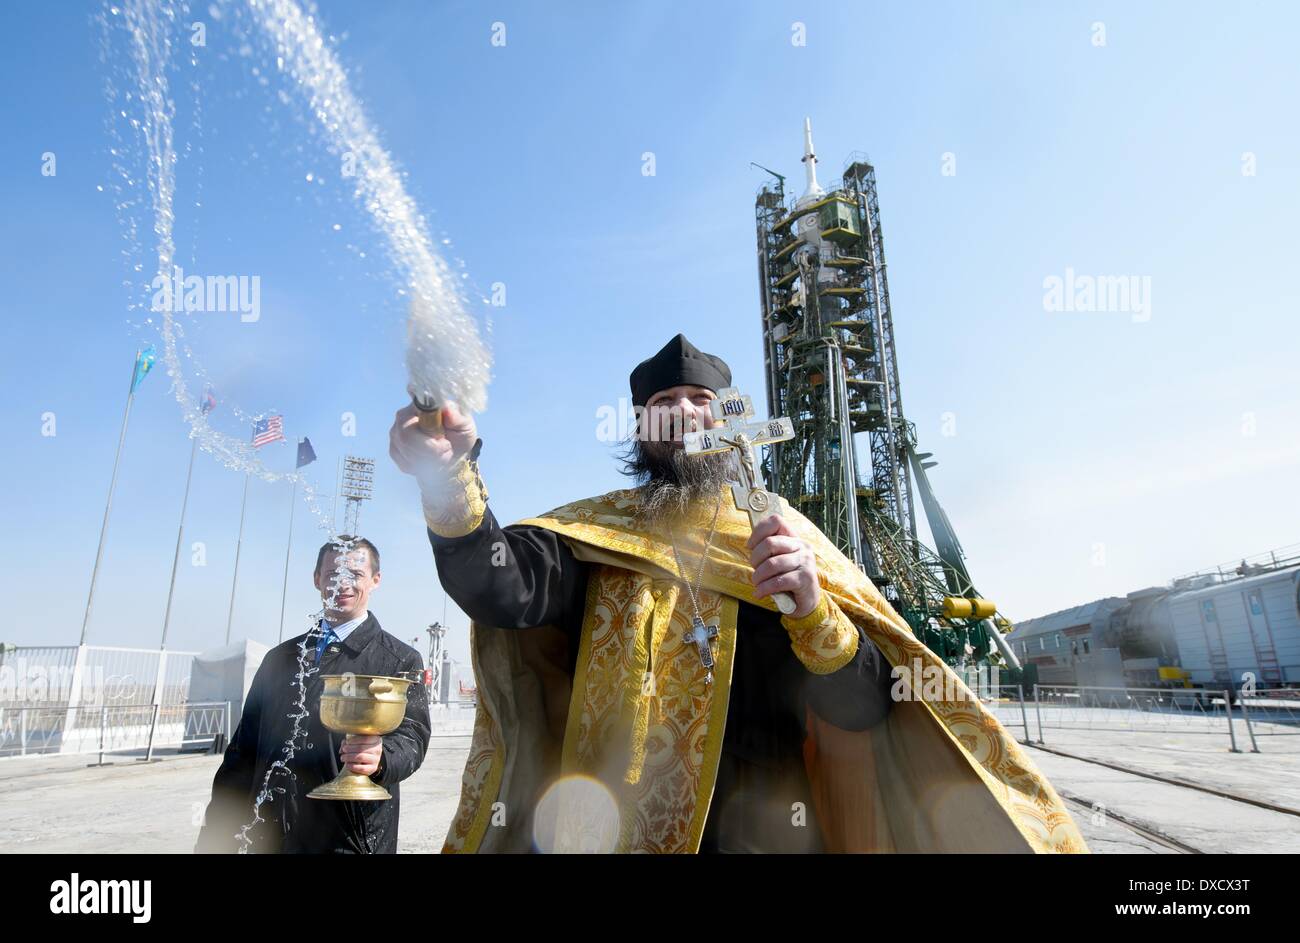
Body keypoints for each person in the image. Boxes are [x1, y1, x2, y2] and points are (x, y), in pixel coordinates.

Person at [390, 334, 1088, 854]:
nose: (685, 414)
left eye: (700, 400)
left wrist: (814, 612)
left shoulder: (791, 538)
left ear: (730, 419)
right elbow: (497, 586)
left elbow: (866, 706)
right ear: (642, 429)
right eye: (663, 404)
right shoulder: (592, 533)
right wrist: (449, 477)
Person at [195, 536, 430, 853]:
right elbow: (242, 753)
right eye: (333, 574)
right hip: (268, 836)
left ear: (375, 580)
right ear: (317, 579)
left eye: (355, 575)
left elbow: (413, 737)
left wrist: (382, 757)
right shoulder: (280, 659)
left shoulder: (399, 660)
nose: (342, 584)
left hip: (349, 838)